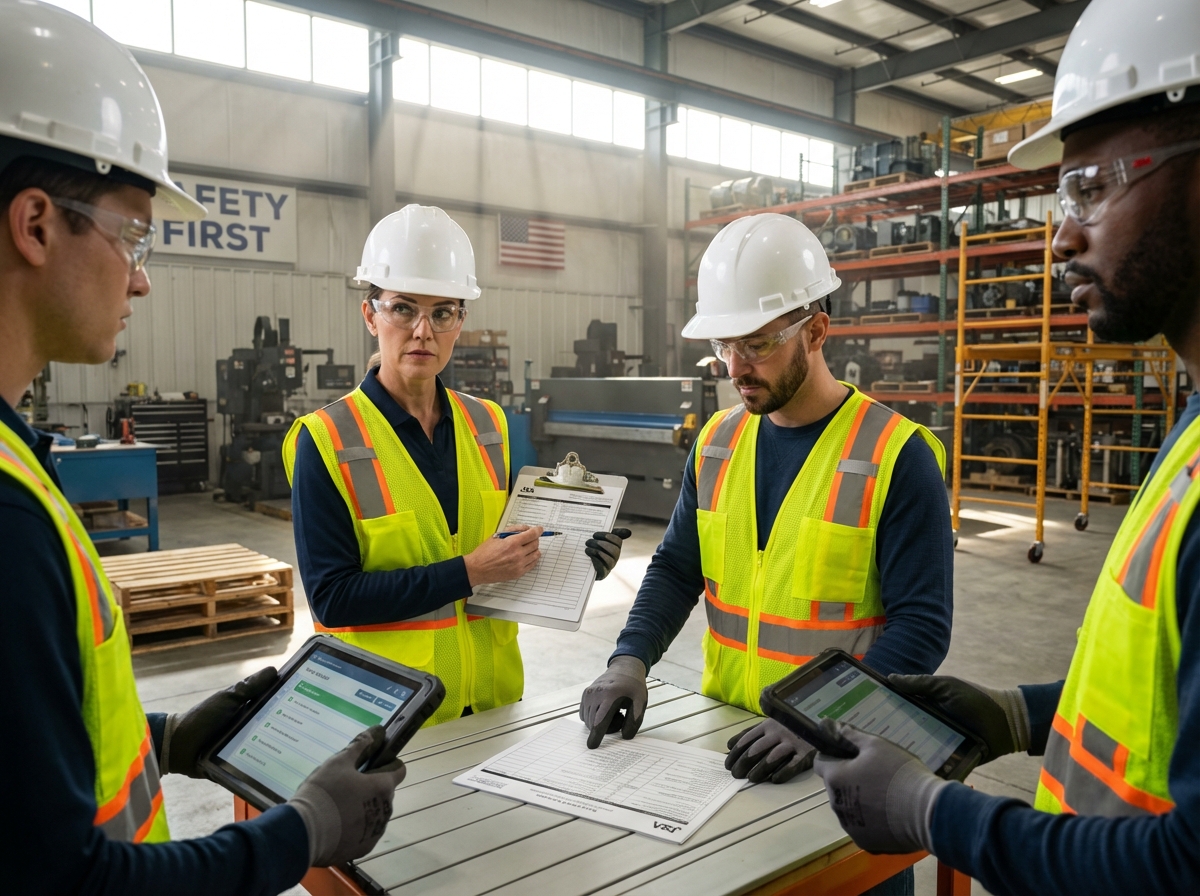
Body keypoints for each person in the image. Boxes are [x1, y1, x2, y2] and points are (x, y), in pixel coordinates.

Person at [0, 4, 406, 894]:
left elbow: (29, 758)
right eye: (131, 234)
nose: (141, 276)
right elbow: (66, 881)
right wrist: (299, 835)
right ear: (35, 224)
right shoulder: (6, 517)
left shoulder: (14, 458)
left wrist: (165, 736)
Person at [811, 2, 1200, 893]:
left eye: (1095, 187)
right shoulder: (1191, 434)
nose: (1061, 234)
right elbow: (1166, 706)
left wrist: (933, 814)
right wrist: (1018, 715)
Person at [579, 215, 953, 894]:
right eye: (724, 345)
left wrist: (824, 721)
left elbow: (922, 629)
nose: (734, 368)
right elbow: (675, 569)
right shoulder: (719, 442)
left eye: (756, 344)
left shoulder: (897, 456)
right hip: (731, 751)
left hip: (848, 764)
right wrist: (628, 659)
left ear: (815, 329)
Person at [284, 205, 629, 725]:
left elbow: (510, 551)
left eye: (442, 312)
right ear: (370, 314)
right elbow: (333, 600)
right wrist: (466, 573)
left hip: (492, 704)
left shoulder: (488, 426)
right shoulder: (326, 440)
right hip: (383, 720)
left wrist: (576, 561)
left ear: (460, 321)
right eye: (403, 308)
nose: (423, 330)